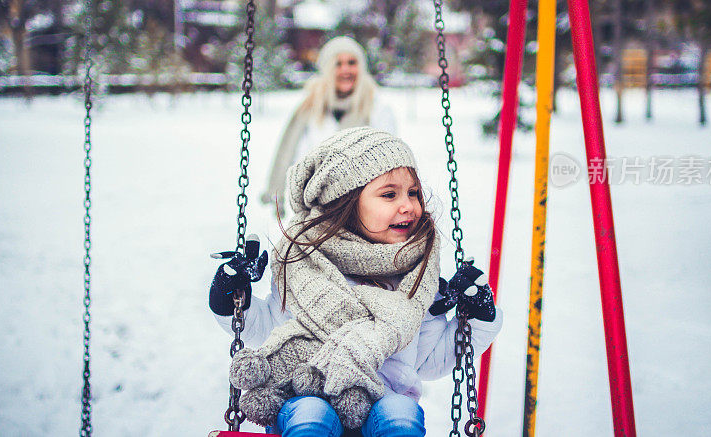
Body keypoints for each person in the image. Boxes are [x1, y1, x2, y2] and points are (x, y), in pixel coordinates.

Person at [210, 127, 502, 437]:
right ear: (345, 202)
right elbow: (263, 326)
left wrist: (479, 317)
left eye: (413, 192)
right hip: (302, 394)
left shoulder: (417, 278)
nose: (408, 205)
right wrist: (230, 294)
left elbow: (430, 360)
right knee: (312, 413)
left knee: (402, 414)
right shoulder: (302, 263)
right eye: (389, 194)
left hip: (384, 402)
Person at [262, 36, 397, 214]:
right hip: (313, 209)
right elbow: (290, 155)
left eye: (352, 62)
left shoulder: (377, 108)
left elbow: (389, 162)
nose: (345, 69)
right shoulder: (309, 107)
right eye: (337, 64)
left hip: (362, 210)